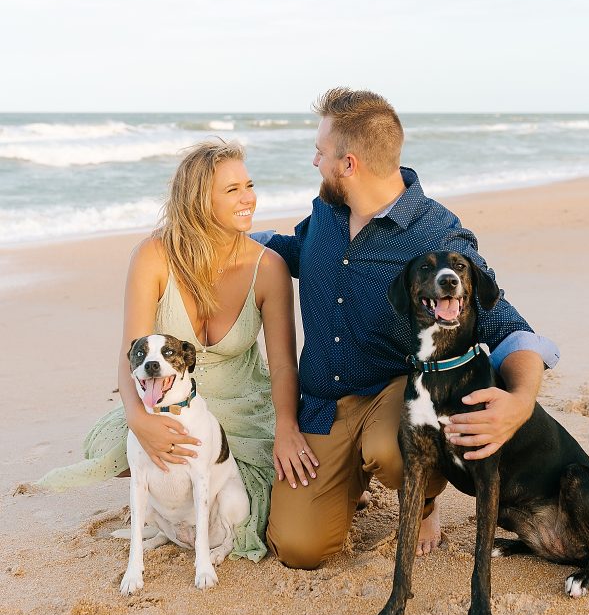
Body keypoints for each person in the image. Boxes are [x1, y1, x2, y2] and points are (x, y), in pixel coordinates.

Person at [260, 88, 560, 569]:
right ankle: (347, 480)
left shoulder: (437, 236)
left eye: (321, 151)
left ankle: (422, 500)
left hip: (395, 396)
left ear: (349, 164)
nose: (314, 159)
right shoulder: (326, 213)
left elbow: (505, 324)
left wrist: (520, 402)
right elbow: (291, 251)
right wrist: (215, 241)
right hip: (321, 404)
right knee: (299, 548)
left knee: (392, 450)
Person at [36, 141, 307, 562]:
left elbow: (285, 366)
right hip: (169, 403)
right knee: (115, 445)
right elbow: (131, 351)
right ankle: (169, 499)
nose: (248, 198)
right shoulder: (154, 256)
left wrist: (287, 426)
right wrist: (138, 419)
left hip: (243, 410)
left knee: (250, 510)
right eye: (232, 189)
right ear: (200, 200)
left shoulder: (268, 267)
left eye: (249, 185)